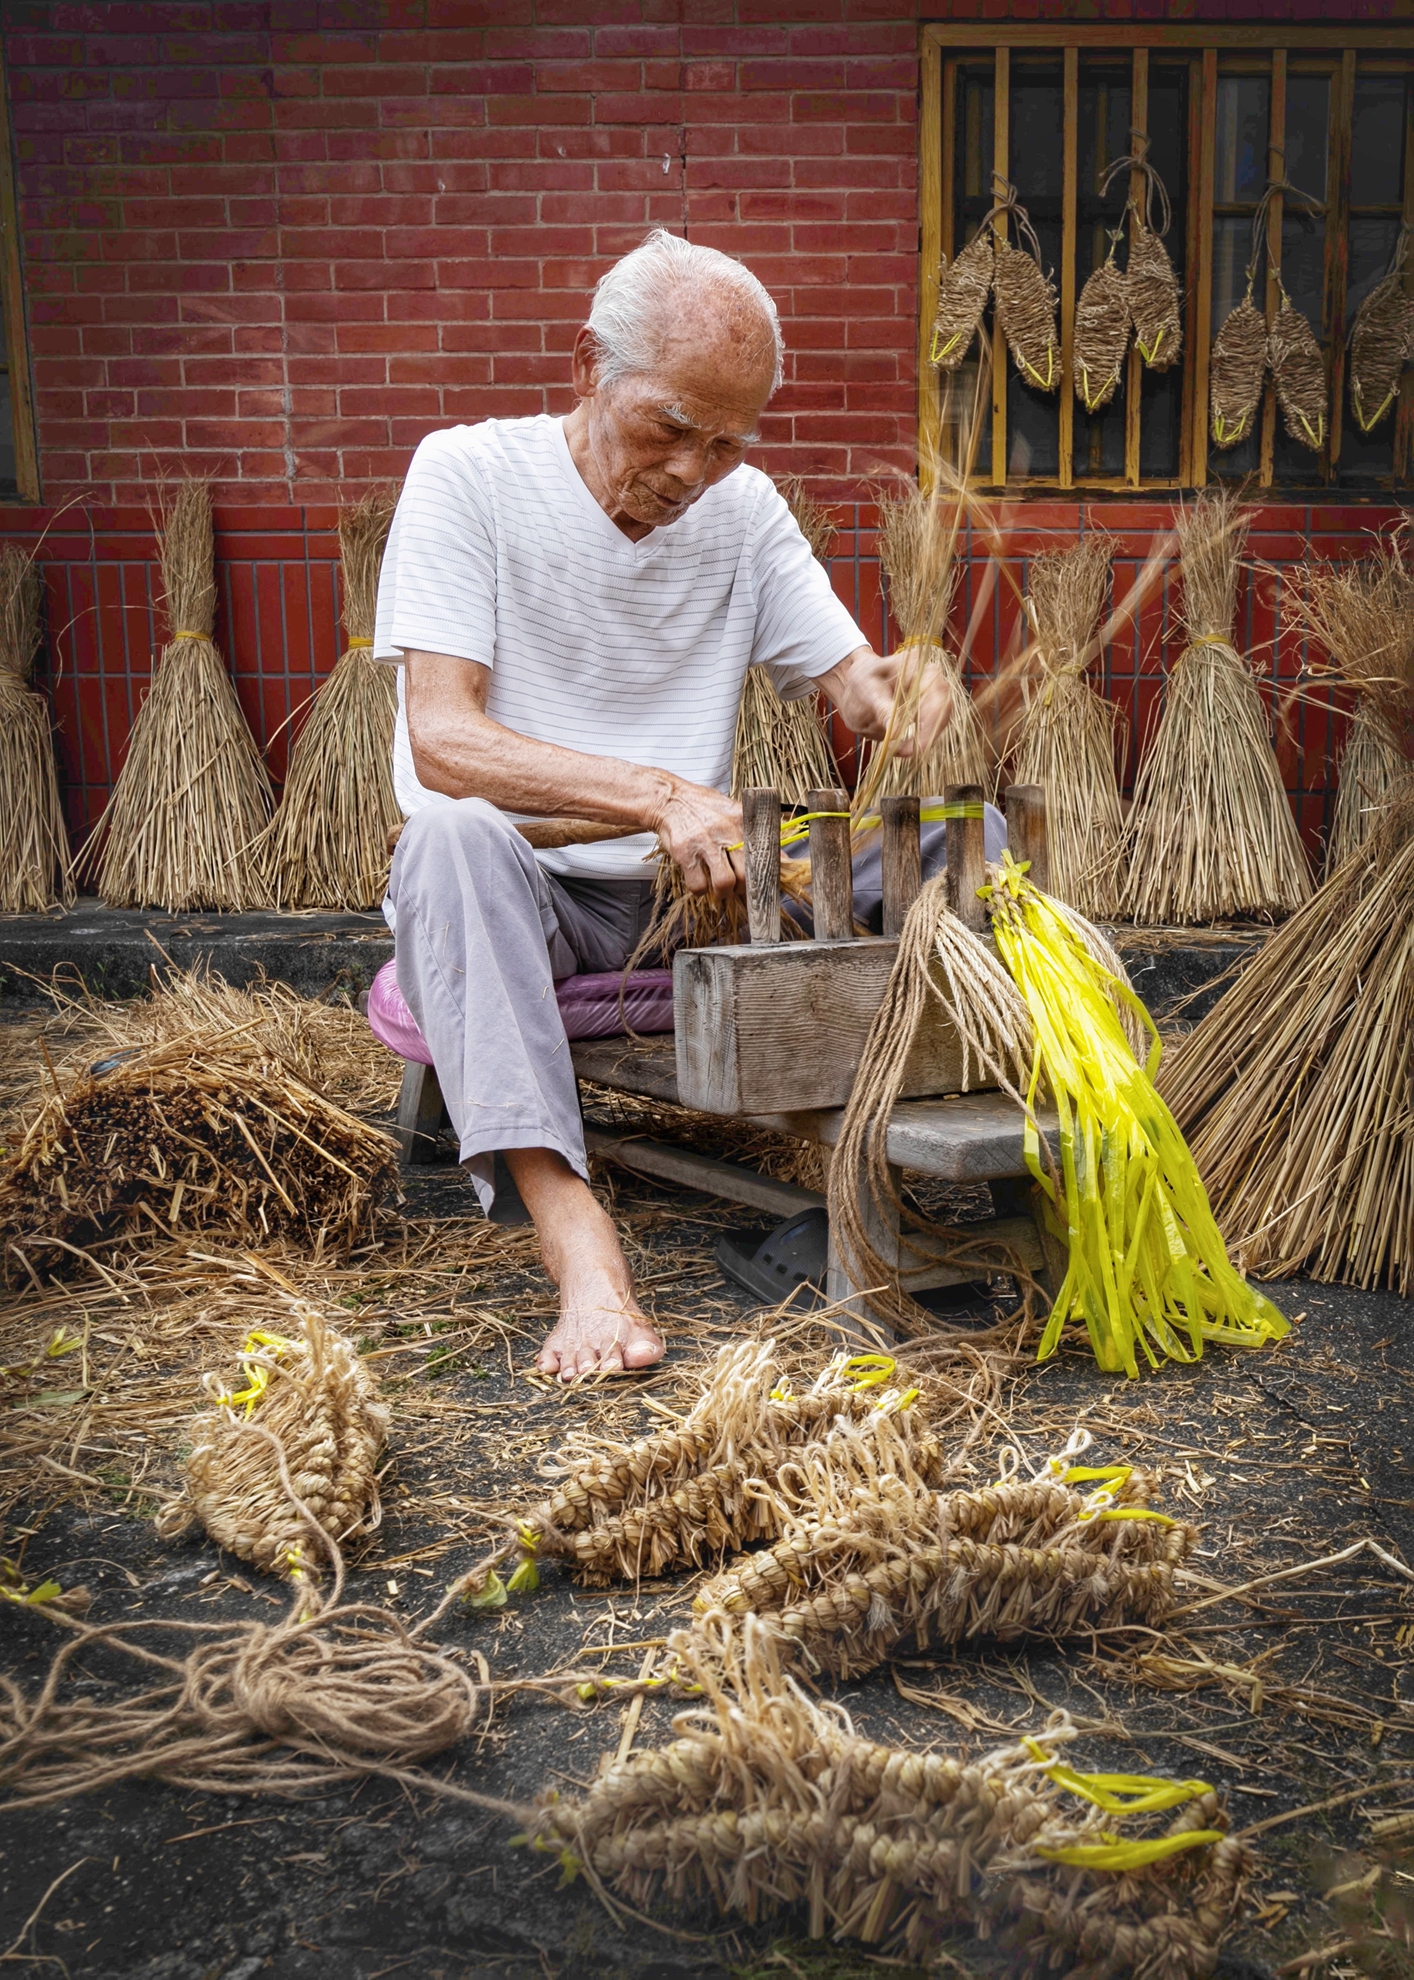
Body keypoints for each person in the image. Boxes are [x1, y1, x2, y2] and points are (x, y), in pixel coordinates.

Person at [373, 228, 959, 1384]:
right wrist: (656, 794)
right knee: (447, 838)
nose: (694, 471)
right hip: (528, 888)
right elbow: (443, 739)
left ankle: (919, 1124)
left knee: (968, 836)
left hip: (693, 896)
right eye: (671, 427)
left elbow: (844, 679)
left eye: (730, 442)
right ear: (587, 366)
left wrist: (887, 687)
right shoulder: (467, 475)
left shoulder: (741, 515)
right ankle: (574, 1232)